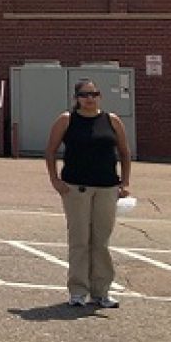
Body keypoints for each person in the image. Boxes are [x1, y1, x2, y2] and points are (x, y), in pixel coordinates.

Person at [44, 79, 132, 308]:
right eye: (85, 95)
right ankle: (78, 291)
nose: (90, 99)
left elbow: (124, 152)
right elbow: (51, 150)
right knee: (79, 240)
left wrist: (125, 182)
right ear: (77, 98)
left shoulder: (112, 120)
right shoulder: (67, 120)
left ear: (99, 97)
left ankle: (101, 292)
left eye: (94, 94)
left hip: (107, 187)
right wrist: (55, 179)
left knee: (101, 241)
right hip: (76, 188)